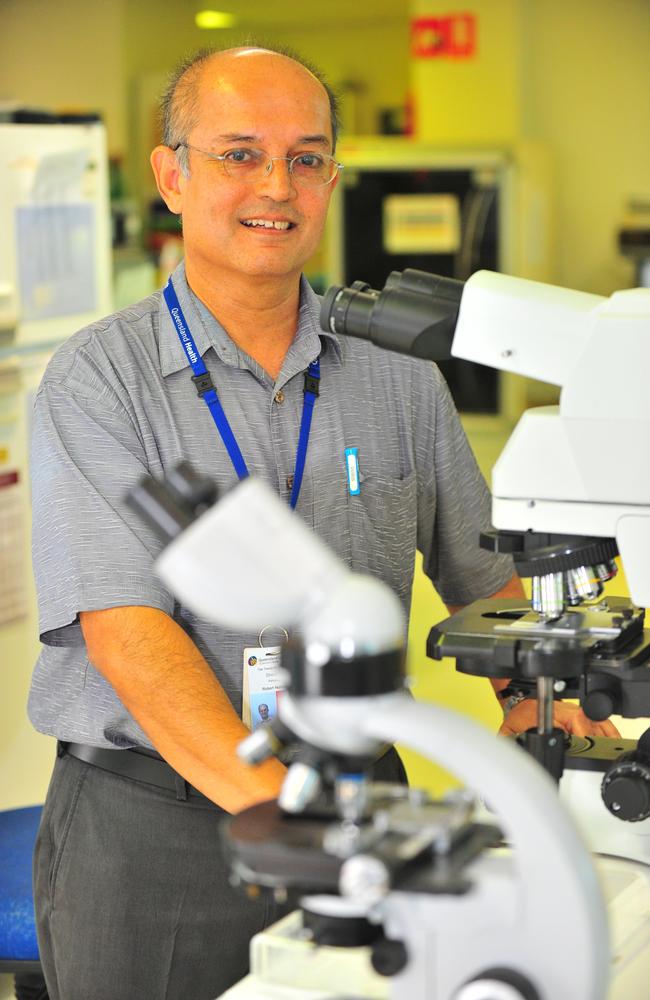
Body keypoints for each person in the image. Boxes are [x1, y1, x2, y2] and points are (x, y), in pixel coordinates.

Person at [27, 44, 618, 1000]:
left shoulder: (398, 374)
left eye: (307, 158)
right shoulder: (99, 381)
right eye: (238, 154)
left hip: (359, 799)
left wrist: (536, 709)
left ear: (334, 179)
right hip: (159, 826)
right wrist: (299, 828)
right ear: (171, 174)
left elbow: (488, 580)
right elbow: (127, 637)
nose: (277, 185)